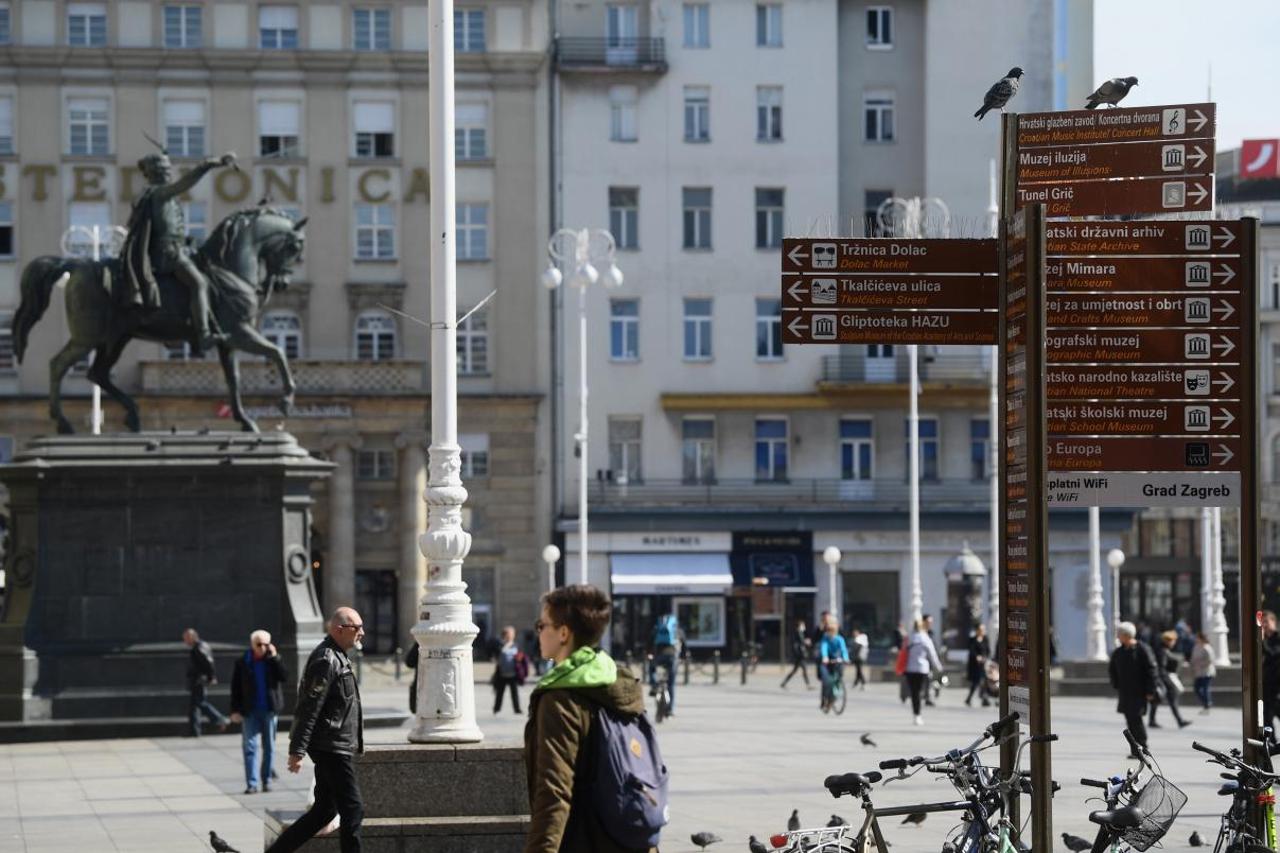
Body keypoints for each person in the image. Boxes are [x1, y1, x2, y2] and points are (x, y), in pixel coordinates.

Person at [524, 584, 656, 853]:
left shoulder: (560, 699)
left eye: (542, 625)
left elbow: (554, 791)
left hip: (586, 839)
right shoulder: (618, 681)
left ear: (563, 633)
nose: (538, 632)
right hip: (630, 837)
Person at [267, 608, 365, 853]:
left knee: (325, 810)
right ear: (339, 630)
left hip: (334, 744)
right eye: (357, 627)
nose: (361, 632)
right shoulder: (326, 659)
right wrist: (297, 750)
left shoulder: (338, 656)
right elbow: (309, 706)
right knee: (353, 808)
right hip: (332, 746)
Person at [120, 149, 237, 351]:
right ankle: (204, 334)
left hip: (176, 248)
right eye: (164, 170)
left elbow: (167, 228)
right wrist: (211, 163)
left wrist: (188, 240)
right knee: (199, 283)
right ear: (156, 173)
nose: (168, 173)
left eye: (168, 169)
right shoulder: (159, 193)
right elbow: (186, 183)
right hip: (168, 254)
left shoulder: (162, 196)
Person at [230, 629, 288, 794]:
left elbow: (284, 677)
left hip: (269, 710)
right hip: (250, 711)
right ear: (252, 644)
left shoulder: (272, 660)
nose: (262, 647)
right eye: (258, 644)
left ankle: (266, 780)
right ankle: (252, 784)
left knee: (269, 747)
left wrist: (275, 657)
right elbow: (236, 688)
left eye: (265, 644)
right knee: (250, 747)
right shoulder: (243, 662)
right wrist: (234, 710)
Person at [1109, 622, 1159, 755]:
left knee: (1136, 720)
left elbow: (1152, 670)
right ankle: (1135, 750)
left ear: (1126, 635)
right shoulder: (1119, 652)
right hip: (1125, 692)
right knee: (1130, 721)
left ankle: (1143, 748)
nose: (1118, 637)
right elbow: (1112, 669)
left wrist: (1150, 690)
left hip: (1139, 692)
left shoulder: (1142, 649)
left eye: (1119, 634)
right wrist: (1116, 684)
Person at [183, 628, 228, 737]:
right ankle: (194, 731)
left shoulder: (198, 648)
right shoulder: (201, 646)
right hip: (198, 679)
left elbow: (208, 662)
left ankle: (220, 719)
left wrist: (211, 677)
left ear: (192, 637)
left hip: (199, 680)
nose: (185, 641)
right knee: (194, 706)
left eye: (186, 638)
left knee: (200, 703)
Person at [903, 619, 943, 726]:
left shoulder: (909, 638)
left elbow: (903, 651)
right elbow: (932, 654)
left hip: (910, 669)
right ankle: (918, 714)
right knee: (919, 691)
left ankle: (916, 714)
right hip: (922, 669)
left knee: (914, 692)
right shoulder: (925, 638)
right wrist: (938, 667)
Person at [1148, 629, 1190, 729]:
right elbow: (1161, 668)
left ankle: (1152, 720)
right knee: (1171, 697)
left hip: (1161, 677)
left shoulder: (1162, 649)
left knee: (1158, 699)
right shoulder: (1162, 651)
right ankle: (1179, 720)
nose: (1174, 643)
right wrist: (1166, 680)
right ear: (1168, 641)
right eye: (1173, 641)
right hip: (1163, 678)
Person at [649, 612, 680, 715]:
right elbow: (683, 644)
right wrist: (684, 655)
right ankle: (670, 709)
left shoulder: (657, 628)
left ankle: (654, 684)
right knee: (671, 684)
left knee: (652, 668)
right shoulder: (676, 629)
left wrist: (648, 653)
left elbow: (649, 641)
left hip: (658, 656)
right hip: (672, 657)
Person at [493, 625, 528, 714]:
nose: (510, 636)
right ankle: (497, 708)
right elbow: (497, 655)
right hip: (502, 673)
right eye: (509, 634)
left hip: (513, 673)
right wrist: (505, 644)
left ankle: (517, 709)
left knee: (514, 693)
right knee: (500, 693)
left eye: (512, 634)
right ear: (504, 635)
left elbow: (521, 657)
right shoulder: (500, 644)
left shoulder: (516, 645)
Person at [817, 621, 850, 713]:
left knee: (839, 675)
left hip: (837, 660)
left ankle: (835, 694)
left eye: (833, 631)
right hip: (827, 661)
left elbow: (843, 649)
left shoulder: (840, 639)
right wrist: (825, 657)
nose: (831, 633)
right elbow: (824, 648)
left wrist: (846, 658)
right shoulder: (825, 639)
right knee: (826, 681)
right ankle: (824, 698)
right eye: (829, 631)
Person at [780, 619, 813, 689]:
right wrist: (806, 642)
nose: (804, 627)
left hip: (799, 655)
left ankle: (784, 683)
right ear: (799, 626)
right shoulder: (798, 632)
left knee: (795, 670)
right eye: (803, 625)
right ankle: (808, 685)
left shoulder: (799, 633)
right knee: (803, 669)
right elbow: (801, 641)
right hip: (800, 655)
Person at [1190, 631, 1216, 715]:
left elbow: (1210, 660)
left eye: (1197, 638)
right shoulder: (1196, 647)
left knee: (1205, 689)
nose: (1196, 639)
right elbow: (1193, 657)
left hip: (1206, 672)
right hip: (1198, 672)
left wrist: (1200, 664)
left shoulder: (1207, 648)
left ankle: (1207, 706)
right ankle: (1206, 704)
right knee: (1197, 689)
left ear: (1201, 639)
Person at [965, 623, 991, 707]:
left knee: (984, 681)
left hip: (983, 664)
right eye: (981, 630)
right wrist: (977, 657)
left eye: (983, 629)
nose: (982, 631)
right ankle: (970, 698)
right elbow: (971, 650)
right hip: (975, 665)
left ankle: (984, 699)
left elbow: (988, 650)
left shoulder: (985, 639)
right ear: (977, 631)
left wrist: (985, 658)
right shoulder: (972, 640)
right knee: (976, 682)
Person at [1263, 612, 1280, 732]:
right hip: (1267, 684)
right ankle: (1271, 741)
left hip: (1277, 684)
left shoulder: (1278, 637)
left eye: (1266, 621)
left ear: (1274, 622)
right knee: (1266, 717)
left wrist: (1262, 641)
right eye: (1262, 623)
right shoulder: (1264, 639)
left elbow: (1273, 654)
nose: (1264, 625)